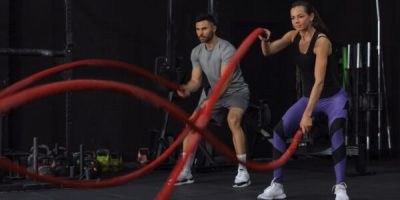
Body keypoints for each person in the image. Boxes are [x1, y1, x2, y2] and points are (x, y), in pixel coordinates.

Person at [256, 1, 349, 200]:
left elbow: (319, 81)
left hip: (332, 98)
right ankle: (277, 185)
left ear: (311, 16)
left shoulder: (321, 41)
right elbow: (268, 51)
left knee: (336, 130)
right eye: (293, 17)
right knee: (279, 132)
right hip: (309, 97)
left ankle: (341, 187)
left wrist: (307, 115)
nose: (296, 21)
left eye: (301, 16)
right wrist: (264, 40)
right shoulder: (292, 36)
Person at [175, 14, 251, 188]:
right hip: (213, 94)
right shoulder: (196, 51)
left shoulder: (227, 49)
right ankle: (186, 171)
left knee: (233, 121)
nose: (200, 33)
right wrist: (187, 88)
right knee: (192, 125)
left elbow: (225, 80)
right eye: (198, 29)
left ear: (214, 28)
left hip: (235, 91)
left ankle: (243, 172)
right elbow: (196, 81)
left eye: (204, 28)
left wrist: (211, 100)